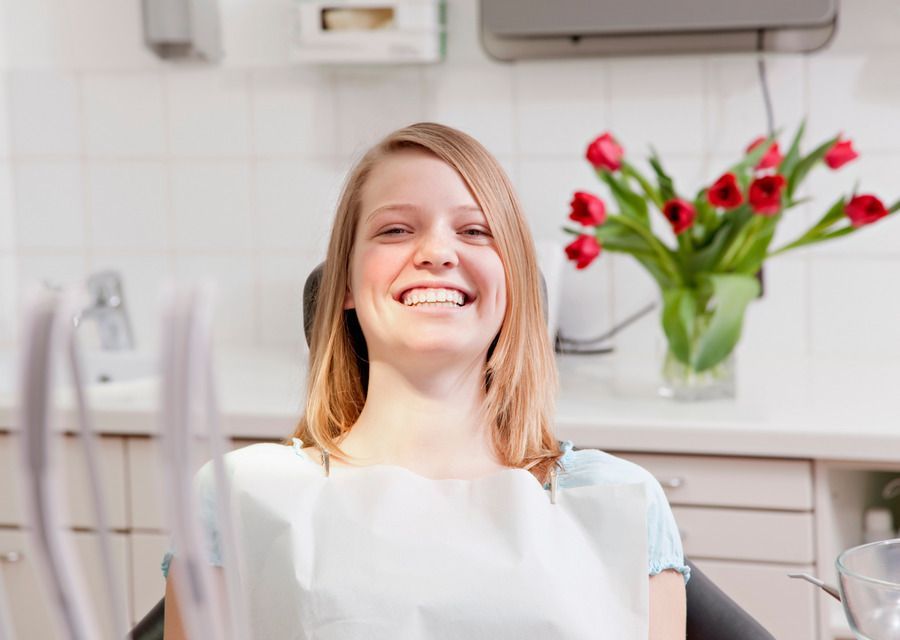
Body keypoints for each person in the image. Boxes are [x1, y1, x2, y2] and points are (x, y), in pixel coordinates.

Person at [163, 122, 689, 639]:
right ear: (344, 282)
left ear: (515, 284)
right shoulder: (241, 497)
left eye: (474, 231)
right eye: (395, 229)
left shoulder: (618, 503)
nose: (437, 252)